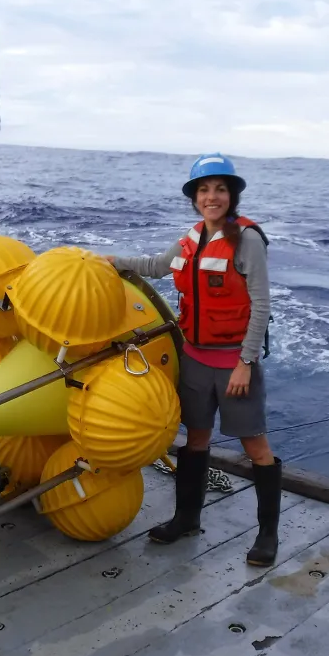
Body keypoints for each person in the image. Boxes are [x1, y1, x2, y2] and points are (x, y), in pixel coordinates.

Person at [105, 152, 282, 567]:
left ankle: (268, 535)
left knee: (255, 445)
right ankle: (186, 518)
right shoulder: (191, 238)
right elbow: (156, 266)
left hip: (234, 363)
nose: (212, 197)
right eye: (204, 190)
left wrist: (246, 362)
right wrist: (112, 262)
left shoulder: (247, 240)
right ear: (195, 197)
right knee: (196, 439)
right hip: (195, 361)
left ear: (232, 195)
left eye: (220, 189)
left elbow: (261, 303)